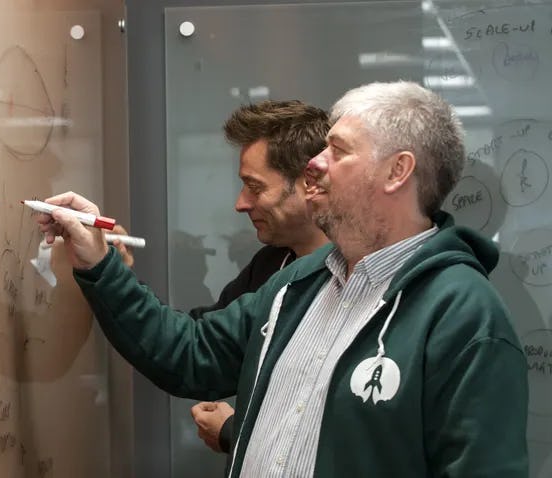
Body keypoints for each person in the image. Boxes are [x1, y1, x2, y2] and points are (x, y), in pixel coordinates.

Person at [36, 81, 528, 477]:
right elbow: (188, 353)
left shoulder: (464, 315)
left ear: (397, 171)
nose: (316, 164)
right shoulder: (298, 284)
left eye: (337, 150)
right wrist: (97, 261)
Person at [187, 100, 329, 454]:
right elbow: (194, 344)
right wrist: (109, 269)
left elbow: (334, 431)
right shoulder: (272, 265)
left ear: (308, 183)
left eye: (255, 186)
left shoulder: (358, 278)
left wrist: (234, 431)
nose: (241, 203)